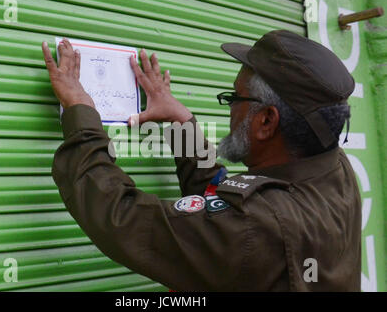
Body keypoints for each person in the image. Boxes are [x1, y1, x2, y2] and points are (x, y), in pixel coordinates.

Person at [41, 29, 361, 291]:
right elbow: (229, 203)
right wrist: (181, 124)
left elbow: (121, 219)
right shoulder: (334, 170)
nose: (230, 108)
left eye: (235, 97)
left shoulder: (258, 226)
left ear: (266, 122)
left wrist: (80, 111)